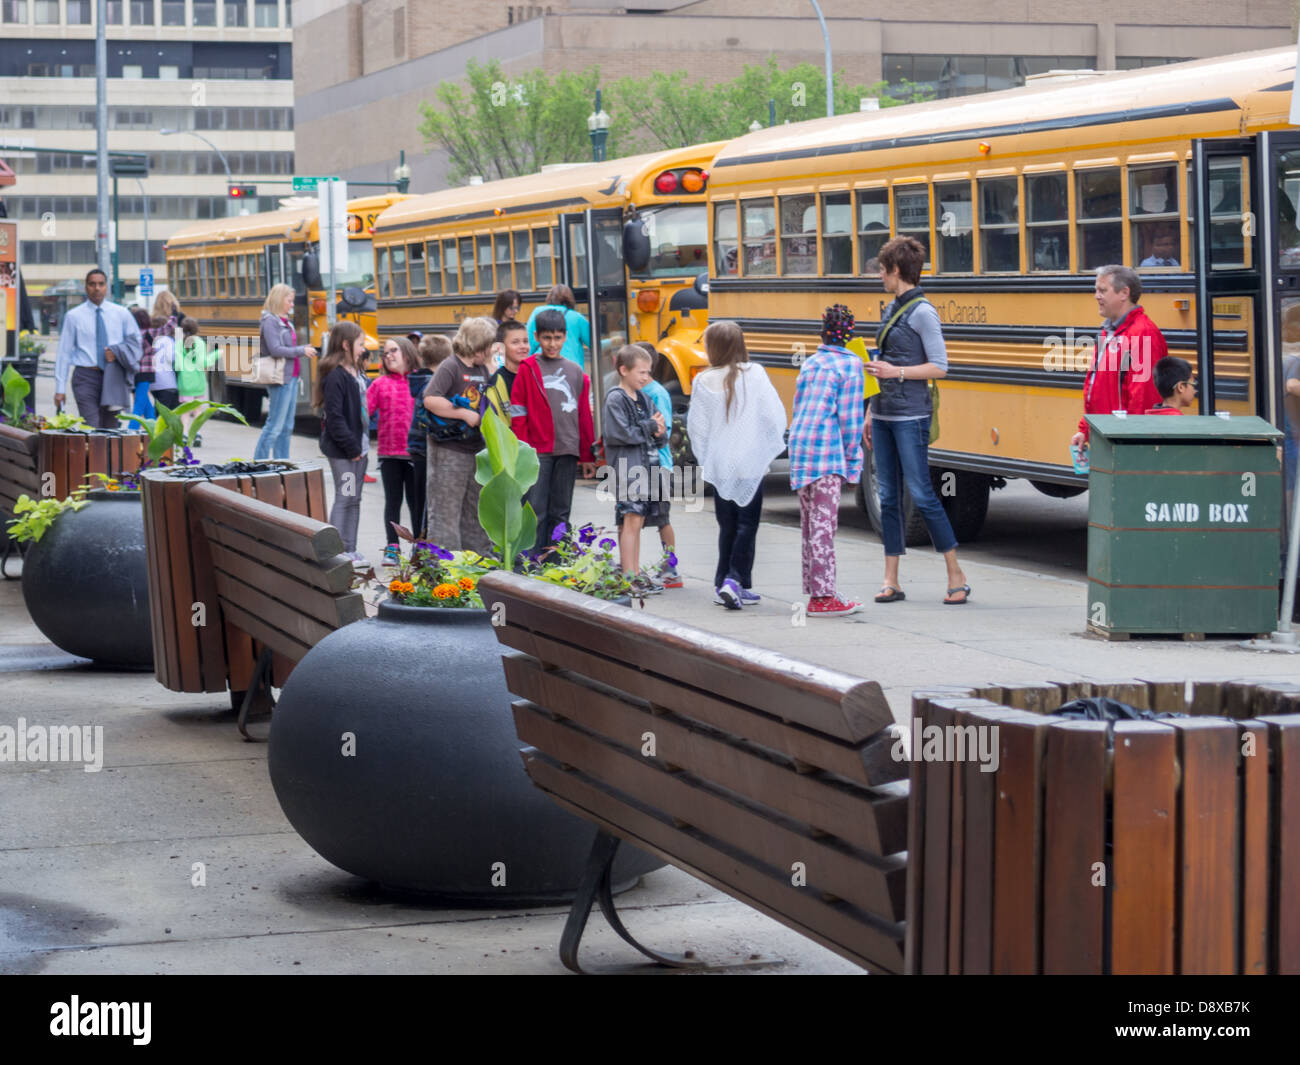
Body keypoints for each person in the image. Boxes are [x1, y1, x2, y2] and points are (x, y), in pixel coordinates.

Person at [866, 238, 971, 606]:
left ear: (896, 270)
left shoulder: (923, 312)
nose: (879, 275)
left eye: (881, 269)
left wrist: (896, 372)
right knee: (889, 497)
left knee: (923, 495)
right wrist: (869, 410)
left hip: (911, 415)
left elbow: (940, 366)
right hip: (882, 413)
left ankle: (955, 574)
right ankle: (891, 579)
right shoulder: (892, 306)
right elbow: (883, 359)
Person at [688, 321, 787, 610]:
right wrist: (763, 445)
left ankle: (725, 583)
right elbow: (774, 416)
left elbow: (698, 429)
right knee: (747, 525)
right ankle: (734, 579)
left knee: (727, 525)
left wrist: (706, 459)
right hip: (749, 462)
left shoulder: (702, 381)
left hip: (720, 463)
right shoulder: (755, 373)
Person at [787, 304, 865, 618]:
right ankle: (823, 597)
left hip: (800, 447)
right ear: (849, 335)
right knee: (824, 525)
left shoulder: (811, 363)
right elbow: (849, 419)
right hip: (827, 451)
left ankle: (817, 589)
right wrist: (853, 459)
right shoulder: (851, 365)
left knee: (809, 525)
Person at [511, 307, 597, 551]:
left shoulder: (576, 371)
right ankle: (529, 563)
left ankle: (556, 561)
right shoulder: (527, 368)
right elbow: (518, 412)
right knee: (535, 509)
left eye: (557, 338)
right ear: (537, 337)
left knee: (561, 511)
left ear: (565, 337)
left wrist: (588, 455)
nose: (552, 343)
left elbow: (583, 417)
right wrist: (523, 450)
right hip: (538, 452)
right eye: (547, 338)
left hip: (567, 450)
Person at [1071, 265, 1166, 452]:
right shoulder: (1109, 333)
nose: (1096, 296)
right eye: (1096, 290)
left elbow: (1144, 396)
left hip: (1124, 442)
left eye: (1102, 290)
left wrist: (1131, 441)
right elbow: (1096, 389)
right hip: (1108, 436)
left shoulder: (1142, 333)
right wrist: (1086, 430)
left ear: (1124, 293)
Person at [422, 316, 494, 554]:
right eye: (485, 346)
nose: (488, 351)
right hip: (449, 450)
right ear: (475, 344)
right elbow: (430, 399)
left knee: (474, 511)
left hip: (475, 449)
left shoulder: (481, 368)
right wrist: (464, 414)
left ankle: (476, 564)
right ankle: (445, 567)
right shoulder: (451, 366)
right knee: (445, 512)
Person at [603, 345, 668, 595]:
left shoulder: (645, 398)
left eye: (648, 372)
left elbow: (657, 431)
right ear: (623, 370)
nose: (645, 377)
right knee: (630, 521)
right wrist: (651, 426)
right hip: (627, 470)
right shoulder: (615, 398)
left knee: (636, 522)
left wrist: (657, 431)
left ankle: (634, 572)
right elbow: (619, 433)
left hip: (646, 467)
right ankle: (628, 576)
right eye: (641, 372)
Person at [53, 268, 142, 428]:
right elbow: (63, 353)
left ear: (106, 286)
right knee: (91, 425)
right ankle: (92, 452)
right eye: (92, 284)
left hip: (113, 375)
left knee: (111, 427)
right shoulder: (74, 316)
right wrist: (60, 389)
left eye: (101, 284)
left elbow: (136, 342)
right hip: (86, 376)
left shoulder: (121, 314)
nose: (97, 288)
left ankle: (107, 454)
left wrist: (117, 352)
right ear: (86, 287)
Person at [315, 321, 369, 565]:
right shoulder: (335, 377)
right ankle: (335, 553)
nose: (363, 348)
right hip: (345, 451)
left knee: (355, 498)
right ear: (346, 345)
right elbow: (335, 418)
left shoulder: (356, 372)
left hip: (360, 448)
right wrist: (352, 447)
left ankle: (351, 548)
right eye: (360, 344)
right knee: (345, 496)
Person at [367, 336, 420, 564]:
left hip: (415, 454)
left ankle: (420, 547)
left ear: (407, 353)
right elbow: (364, 412)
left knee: (417, 502)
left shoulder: (419, 382)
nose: (388, 355)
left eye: (393, 351)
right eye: (385, 352)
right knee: (393, 501)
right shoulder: (379, 384)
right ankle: (393, 547)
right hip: (389, 454)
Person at [634, 342, 681, 587]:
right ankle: (633, 567)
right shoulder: (633, 391)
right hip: (640, 464)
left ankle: (670, 568)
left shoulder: (657, 393)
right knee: (635, 517)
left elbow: (664, 429)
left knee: (661, 518)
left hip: (658, 465)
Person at [254, 283, 318, 461]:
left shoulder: (284, 321)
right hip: (280, 379)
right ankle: (260, 463)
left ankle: (282, 462)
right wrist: (301, 350)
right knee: (274, 425)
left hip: (291, 377)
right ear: (279, 299)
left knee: (287, 426)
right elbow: (275, 349)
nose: (292, 305)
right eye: (289, 301)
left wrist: (300, 350)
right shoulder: (270, 322)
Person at [406, 334, 452, 541]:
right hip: (428, 449)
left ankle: (419, 541)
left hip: (417, 448)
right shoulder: (434, 385)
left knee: (419, 502)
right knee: (429, 502)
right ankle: (424, 545)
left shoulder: (418, 381)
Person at [525, 283, 590, 367]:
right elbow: (595, 344)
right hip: (571, 367)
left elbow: (529, 342)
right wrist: (611, 341)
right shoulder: (577, 317)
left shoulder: (537, 312)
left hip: (541, 365)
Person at [176, 317, 217, 442]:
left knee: (186, 410)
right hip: (198, 381)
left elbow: (177, 365)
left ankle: (184, 434)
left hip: (185, 382)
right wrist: (216, 354)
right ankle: (197, 434)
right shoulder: (199, 342)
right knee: (198, 409)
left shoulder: (178, 344)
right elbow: (203, 362)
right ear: (196, 329)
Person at [485, 319, 527, 420]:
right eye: (515, 342)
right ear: (500, 347)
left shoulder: (535, 375)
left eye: (525, 341)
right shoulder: (495, 384)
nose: (523, 346)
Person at [149, 316, 180, 411]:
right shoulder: (167, 340)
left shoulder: (149, 339)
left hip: (153, 382)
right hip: (167, 382)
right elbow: (171, 358)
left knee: (158, 408)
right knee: (166, 412)